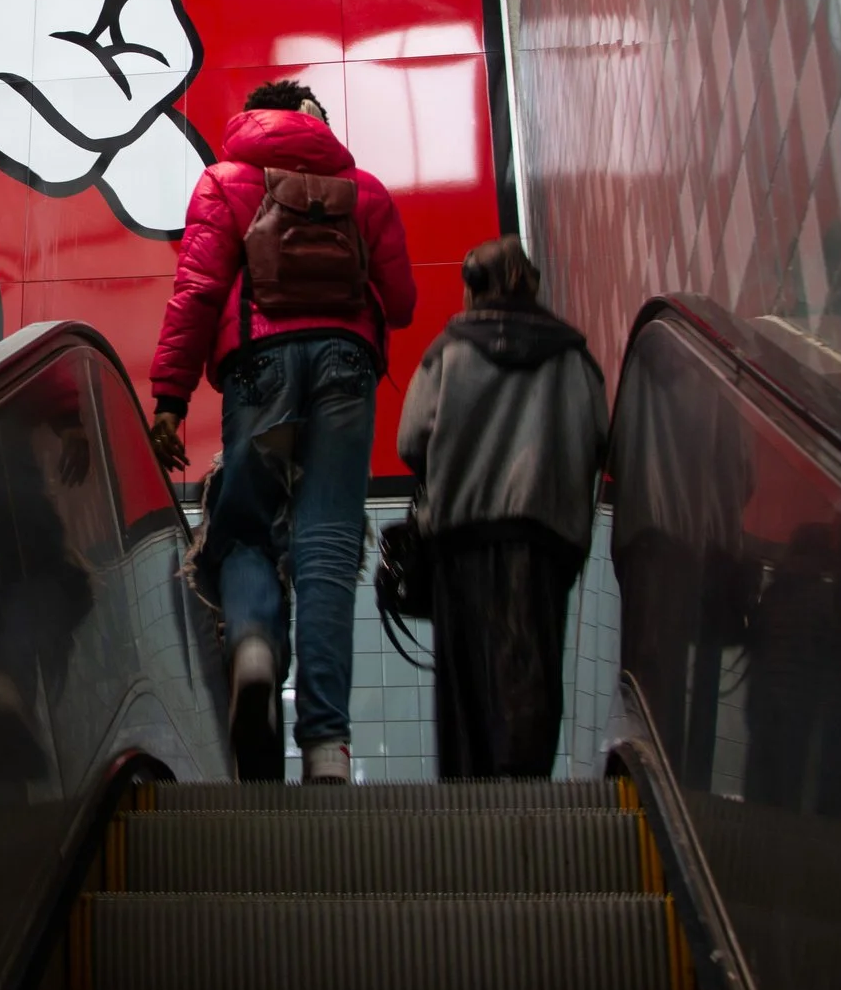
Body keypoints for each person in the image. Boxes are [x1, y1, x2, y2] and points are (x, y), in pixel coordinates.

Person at [148, 81, 418, 783]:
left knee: (245, 529)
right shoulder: (364, 189)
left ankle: (257, 648)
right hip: (345, 367)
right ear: (317, 123)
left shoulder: (225, 180)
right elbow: (406, 302)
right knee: (327, 542)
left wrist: (170, 399)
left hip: (258, 368)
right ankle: (327, 746)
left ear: (256, 116)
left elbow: (198, 290)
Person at [397, 237, 607, 778]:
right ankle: (526, 786)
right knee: (532, 662)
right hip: (545, 536)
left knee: (465, 677)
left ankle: (471, 799)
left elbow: (411, 440)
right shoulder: (573, 356)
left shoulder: (449, 350)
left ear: (472, 288)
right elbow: (600, 438)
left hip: (460, 535)